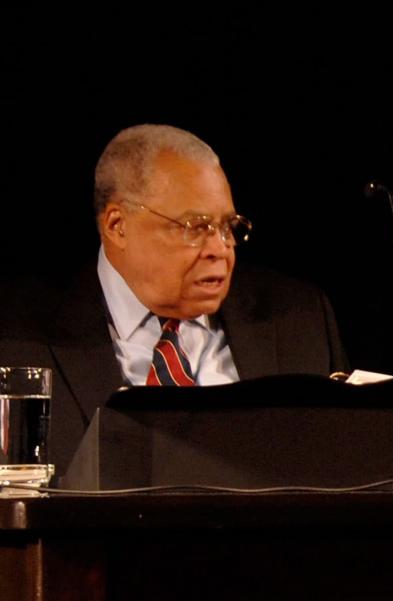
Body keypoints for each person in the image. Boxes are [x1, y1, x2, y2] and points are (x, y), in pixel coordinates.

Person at [0, 124, 348, 471]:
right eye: (195, 228)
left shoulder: (298, 318)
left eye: (228, 227)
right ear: (117, 225)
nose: (220, 250)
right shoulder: (16, 335)